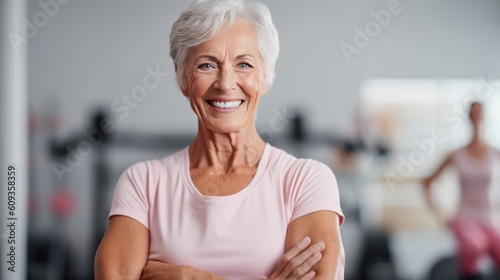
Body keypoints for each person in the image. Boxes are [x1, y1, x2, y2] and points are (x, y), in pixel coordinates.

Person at [94, 0, 345, 279]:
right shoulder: (143, 183)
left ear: (265, 78)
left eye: (244, 64)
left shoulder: (305, 180)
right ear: (182, 79)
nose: (225, 83)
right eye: (206, 65)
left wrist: (193, 277)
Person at [422, 102, 500, 280]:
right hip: (464, 216)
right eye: (473, 114)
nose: (476, 118)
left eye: (479, 113)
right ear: (468, 117)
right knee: (475, 245)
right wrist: (440, 215)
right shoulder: (457, 155)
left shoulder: (495, 153)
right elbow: (427, 182)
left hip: (489, 218)